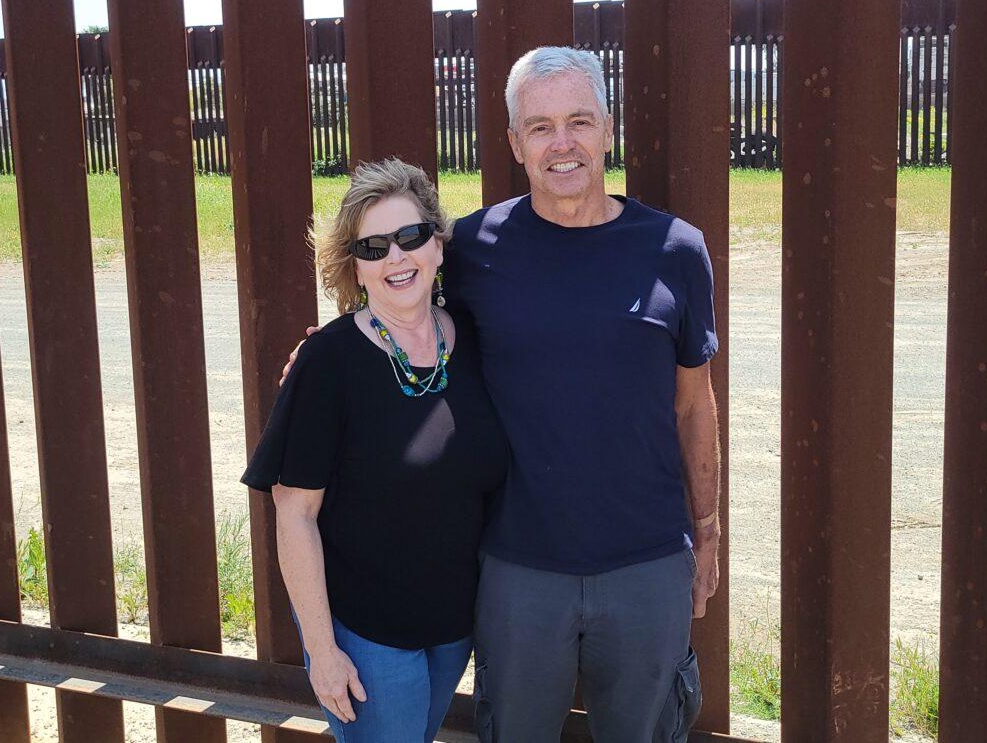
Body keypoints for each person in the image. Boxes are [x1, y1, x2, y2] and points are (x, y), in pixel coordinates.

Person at [284, 46, 721, 742]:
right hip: (519, 569)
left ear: (608, 130)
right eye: (540, 127)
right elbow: (405, 307)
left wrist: (707, 531)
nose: (562, 143)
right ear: (516, 144)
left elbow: (694, 402)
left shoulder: (676, 249)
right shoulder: (473, 247)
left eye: (579, 121)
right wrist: (329, 352)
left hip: (647, 562)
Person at [241, 158, 509, 743]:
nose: (396, 257)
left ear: (438, 245)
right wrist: (322, 651)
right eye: (373, 247)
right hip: (366, 634)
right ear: (354, 266)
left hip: (451, 628)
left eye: (411, 236)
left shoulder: (475, 340)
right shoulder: (327, 363)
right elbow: (295, 512)